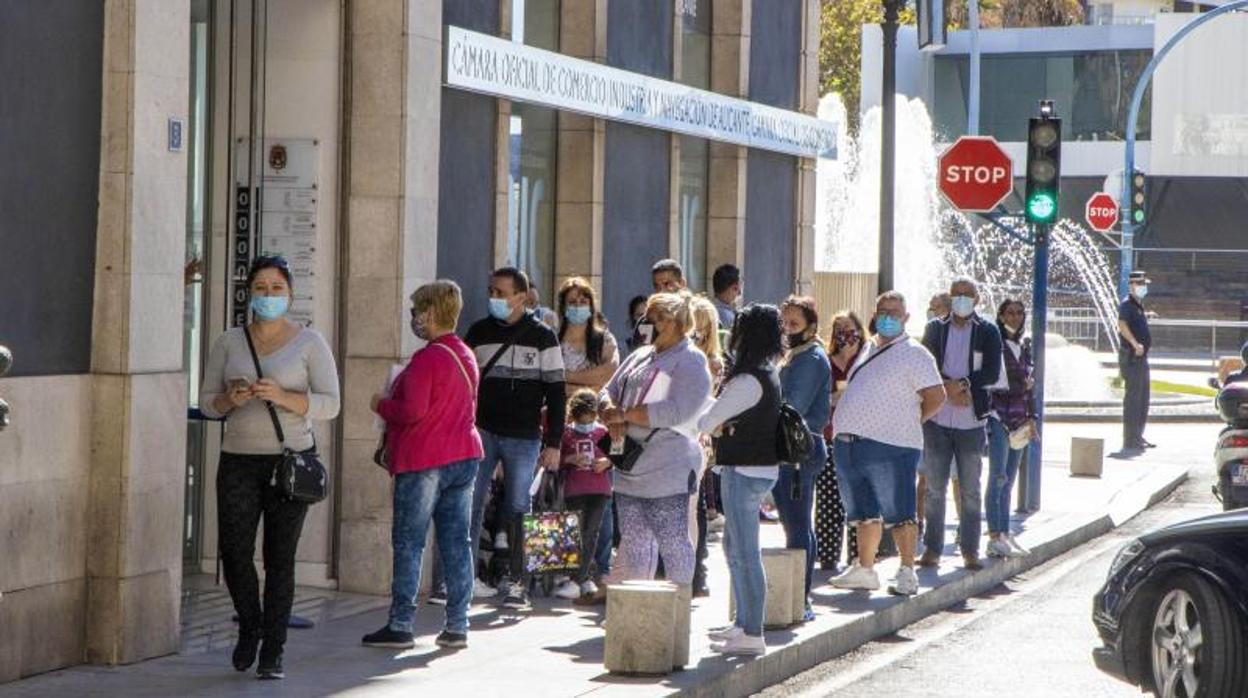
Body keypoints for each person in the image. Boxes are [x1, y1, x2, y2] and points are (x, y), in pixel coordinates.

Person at [199, 255, 341, 680]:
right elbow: (208, 404)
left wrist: (283, 396)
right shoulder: (229, 341)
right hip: (238, 460)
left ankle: (273, 650)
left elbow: (330, 404)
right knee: (234, 552)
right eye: (261, 288)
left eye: (277, 288)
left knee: (280, 558)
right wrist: (230, 400)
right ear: (249, 293)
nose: (268, 295)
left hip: (289, 462)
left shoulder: (310, 343)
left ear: (290, 294)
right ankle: (251, 624)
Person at [362, 280, 483, 651]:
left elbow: (412, 411)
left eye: (416, 311)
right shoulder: (464, 353)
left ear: (430, 313)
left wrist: (380, 403)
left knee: (409, 542)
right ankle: (458, 624)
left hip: (425, 459)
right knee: (456, 542)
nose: (413, 318)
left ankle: (400, 623)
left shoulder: (427, 358)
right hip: (463, 456)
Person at [464, 267, 566, 610]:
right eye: (491, 291)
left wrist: (554, 443)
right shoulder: (478, 332)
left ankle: (518, 582)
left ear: (522, 298)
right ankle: (463, 577)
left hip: (523, 436)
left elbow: (556, 392)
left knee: (520, 507)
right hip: (482, 432)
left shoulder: (543, 336)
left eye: (502, 292)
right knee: (470, 503)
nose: (494, 298)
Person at [831, 291, 945, 596]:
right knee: (862, 510)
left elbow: (936, 397)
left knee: (901, 510)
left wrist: (907, 419)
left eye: (894, 313)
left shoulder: (916, 353)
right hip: (851, 443)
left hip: (892, 443)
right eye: (883, 311)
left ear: (906, 318)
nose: (888, 318)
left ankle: (907, 570)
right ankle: (865, 568)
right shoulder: (867, 348)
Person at [600, 292, 710, 590]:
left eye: (660, 318)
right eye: (649, 317)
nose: (651, 323)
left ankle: (676, 609)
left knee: (673, 540)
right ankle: (639, 610)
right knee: (635, 541)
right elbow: (607, 390)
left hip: (669, 464)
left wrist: (626, 415)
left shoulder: (690, 360)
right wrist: (609, 411)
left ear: (679, 322)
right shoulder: (640, 355)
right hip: (629, 464)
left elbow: (680, 408)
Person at [699, 304, 785, 656]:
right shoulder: (768, 372)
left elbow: (707, 420)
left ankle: (752, 631)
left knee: (746, 553)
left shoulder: (749, 379)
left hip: (744, 472)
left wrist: (714, 416)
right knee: (735, 549)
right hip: (757, 470)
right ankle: (742, 624)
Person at [919, 277, 1002, 571]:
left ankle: (969, 550)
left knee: (970, 489)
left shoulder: (988, 331)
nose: (962, 299)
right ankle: (932, 549)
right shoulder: (935, 329)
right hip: (939, 418)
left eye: (968, 295)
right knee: (934, 489)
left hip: (971, 420)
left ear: (977, 299)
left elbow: (992, 371)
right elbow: (925, 365)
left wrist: (964, 385)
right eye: (957, 294)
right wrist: (946, 387)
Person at [775, 296, 831, 620]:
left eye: (794, 324)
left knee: (797, 526)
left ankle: (801, 598)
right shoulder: (794, 356)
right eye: (784, 323)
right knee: (793, 524)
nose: (787, 329)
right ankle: (798, 595)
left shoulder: (810, 358)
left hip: (799, 452)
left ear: (810, 327)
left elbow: (792, 403)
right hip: (790, 450)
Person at [986, 299, 1035, 559]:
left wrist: (1032, 418)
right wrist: (1023, 386)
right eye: (1009, 313)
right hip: (999, 417)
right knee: (998, 478)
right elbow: (998, 384)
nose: (1014, 317)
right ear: (1001, 315)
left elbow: (1030, 386)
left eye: (1019, 313)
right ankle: (995, 535)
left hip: (1020, 420)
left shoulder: (1025, 345)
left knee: (1009, 479)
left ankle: (1005, 531)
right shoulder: (997, 344)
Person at [816, 311, 865, 570]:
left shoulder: (866, 360)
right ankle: (827, 555)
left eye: (849, 328)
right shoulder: (826, 361)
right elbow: (820, 396)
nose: (845, 333)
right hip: (831, 435)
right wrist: (835, 399)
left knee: (858, 497)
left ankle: (859, 556)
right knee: (828, 497)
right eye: (839, 329)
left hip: (862, 438)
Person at [554, 389, 613, 600]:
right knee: (575, 535)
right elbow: (555, 461)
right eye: (581, 421)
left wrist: (606, 463)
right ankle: (582, 578)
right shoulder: (567, 434)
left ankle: (580, 580)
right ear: (573, 416)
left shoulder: (603, 433)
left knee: (591, 534)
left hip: (599, 491)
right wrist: (570, 460)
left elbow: (617, 456)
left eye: (589, 420)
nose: (585, 424)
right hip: (575, 491)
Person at [689, 296, 726, 597]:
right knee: (693, 504)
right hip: (694, 437)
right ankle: (695, 571)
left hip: (695, 436)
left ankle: (697, 571)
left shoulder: (708, 361)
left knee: (695, 505)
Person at [557, 277, 620, 392]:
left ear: (591, 307)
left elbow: (610, 372)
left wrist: (566, 376)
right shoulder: (553, 340)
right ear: (563, 307)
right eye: (572, 302)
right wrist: (591, 385)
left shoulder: (605, 339)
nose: (578, 306)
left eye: (583, 302)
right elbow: (548, 380)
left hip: (593, 408)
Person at [1118, 270, 1154, 451]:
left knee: (1143, 399)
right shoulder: (1127, 305)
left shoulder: (1138, 306)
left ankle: (1138, 436)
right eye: (1141, 285)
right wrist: (1134, 343)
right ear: (1132, 286)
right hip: (1132, 358)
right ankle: (1130, 439)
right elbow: (1122, 325)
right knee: (1133, 400)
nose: (1143, 288)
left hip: (1141, 358)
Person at [712, 263, 742, 331]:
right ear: (724, 288)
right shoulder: (725, 315)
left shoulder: (725, 312)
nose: (739, 293)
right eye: (735, 288)